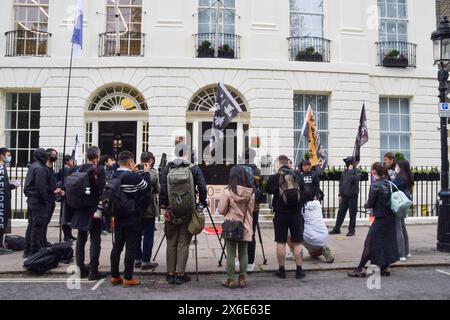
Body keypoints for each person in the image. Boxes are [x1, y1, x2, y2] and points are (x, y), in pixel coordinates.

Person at [160, 143, 207, 285]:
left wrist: (163, 207)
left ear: (175, 152)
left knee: (171, 242)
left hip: (171, 210)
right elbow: (203, 187)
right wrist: (201, 204)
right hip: (188, 210)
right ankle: (180, 275)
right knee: (184, 242)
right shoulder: (193, 168)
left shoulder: (167, 168)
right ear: (187, 153)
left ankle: (170, 274)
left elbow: (162, 189)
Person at [348, 162, 399, 278]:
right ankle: (385, 267)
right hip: (390, 218)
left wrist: (366, 205)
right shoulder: (389, 183)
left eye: (372, 170)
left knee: (369, 243)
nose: (371, 172)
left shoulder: (375, 185)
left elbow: (371, 203)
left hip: (380, 218)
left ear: (374, 172)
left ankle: (360, 269)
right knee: (386, 242)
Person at [110, 151, 151, 287]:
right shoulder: (133, 177)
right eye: (133, 162)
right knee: (131, 248)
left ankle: (115, 276)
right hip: (132, 216)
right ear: (130, 163)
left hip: (118, 215)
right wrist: (145, 173)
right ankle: (128, 278)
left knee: (117, 246)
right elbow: (147, 188)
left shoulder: (113, 175)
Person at [70, 146, 108, 280]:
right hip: (94, 209)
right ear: (97, 156)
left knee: (81, 239)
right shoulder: (100, 169)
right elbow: (103, 190)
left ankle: (80, 269)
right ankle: (93, 271)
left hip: (80, 208)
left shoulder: (79, 168)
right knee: (95, 240)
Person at [266, 155, 305, 280]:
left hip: (280, 214)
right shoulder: (297, 175)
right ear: (288, 164)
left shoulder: (274, 177)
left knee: (281, 242)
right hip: (296, 213)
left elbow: (268, 190)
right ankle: (299, 270)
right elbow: (304, 190)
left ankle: (281, 270)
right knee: (298, 242)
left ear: (278, 164)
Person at [218, 165, 255, 289]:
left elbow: (222, 210)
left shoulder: (227, 192)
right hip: (245, 225)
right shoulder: (251, 193)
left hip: (231, 226)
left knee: (231, 253)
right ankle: (242, 279)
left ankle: (231, 279)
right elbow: (251, 210)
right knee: (243, 253)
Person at [24, 148, 53, 257]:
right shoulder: (40, 168)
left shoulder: (33, 166)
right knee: (37, 226)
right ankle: (34, 252)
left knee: (31, 225)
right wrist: (46, 200)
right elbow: (41, 187)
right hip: (38, 201)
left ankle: (27, 250)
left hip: (32, 200)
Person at [135, 151, 160, 270]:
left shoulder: (133, 173)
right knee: (148, 235)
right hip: (149, 209)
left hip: (135, 208)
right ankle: (146, 260)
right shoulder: (153, 174)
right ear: (150, 161)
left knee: (136, 235)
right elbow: (158, 190)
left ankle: (137, 259)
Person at [241, 148, 263, 273]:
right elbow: (262, 190)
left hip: (240, 206)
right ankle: (250, 262)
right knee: (251, 232)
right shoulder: (257, 170)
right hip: (254, 207)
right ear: (253, 157)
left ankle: (240, 260)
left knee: (239, 231)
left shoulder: (239, 170)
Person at [330, 156, 361, 237]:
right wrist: (340, 194)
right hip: (344, 196)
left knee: (352, 214)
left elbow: (354, 180)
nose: (346, 164)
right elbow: (341, 184)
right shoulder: (344, 172)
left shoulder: (357, 172)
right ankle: (337, 228)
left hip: (352, 196)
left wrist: (351, 171)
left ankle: (351, 230)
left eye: (347, 163)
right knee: (340, 213)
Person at [392, 159, 413, 262]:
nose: (396, 168)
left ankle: (401, 254)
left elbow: (391, 186)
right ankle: (407, 251)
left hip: (398, 204)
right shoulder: (408, 177)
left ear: (400, 167)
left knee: (398, 228)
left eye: (397, 166)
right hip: (404, 204)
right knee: (403, 227)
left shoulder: (400, 178)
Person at [0, 148, 19, 255]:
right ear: (2, 156)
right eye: (7, 155)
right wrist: (14, 185)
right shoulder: (1, 168)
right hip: (2, 201)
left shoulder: (3, 168)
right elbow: (4, 186)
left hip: (3, 199)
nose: (9, 157)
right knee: (1, 224)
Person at [56, 155, 77, 242]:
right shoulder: (66, 170)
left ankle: (69, 235)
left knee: (68, 216)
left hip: (68, 195)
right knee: (65, 216)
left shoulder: (67, 169)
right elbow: (66, 182)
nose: (73, 161)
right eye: (71, 160)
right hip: (66, 194)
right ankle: (67, 236)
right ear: (67, 161)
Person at [42, 148, 59, 248]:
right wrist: (53, 190)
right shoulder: (44, 169)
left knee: (47, 221)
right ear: (48, 156)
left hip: (52, 198)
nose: (55, 157)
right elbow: (43, 184)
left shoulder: (51, 168)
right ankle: (42, 240)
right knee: (44, 221)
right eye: (54, 155)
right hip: (46, 198)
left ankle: (44, 240)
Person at [99, 154, 116, 234]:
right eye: (110, 160)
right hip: (104, 193)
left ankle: (108, 227)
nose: (112, 162)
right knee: (103, 210)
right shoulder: (103, 170)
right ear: (106, 162)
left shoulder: (111, 169)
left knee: (108, 211)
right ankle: (103, 227)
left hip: (108, 193)